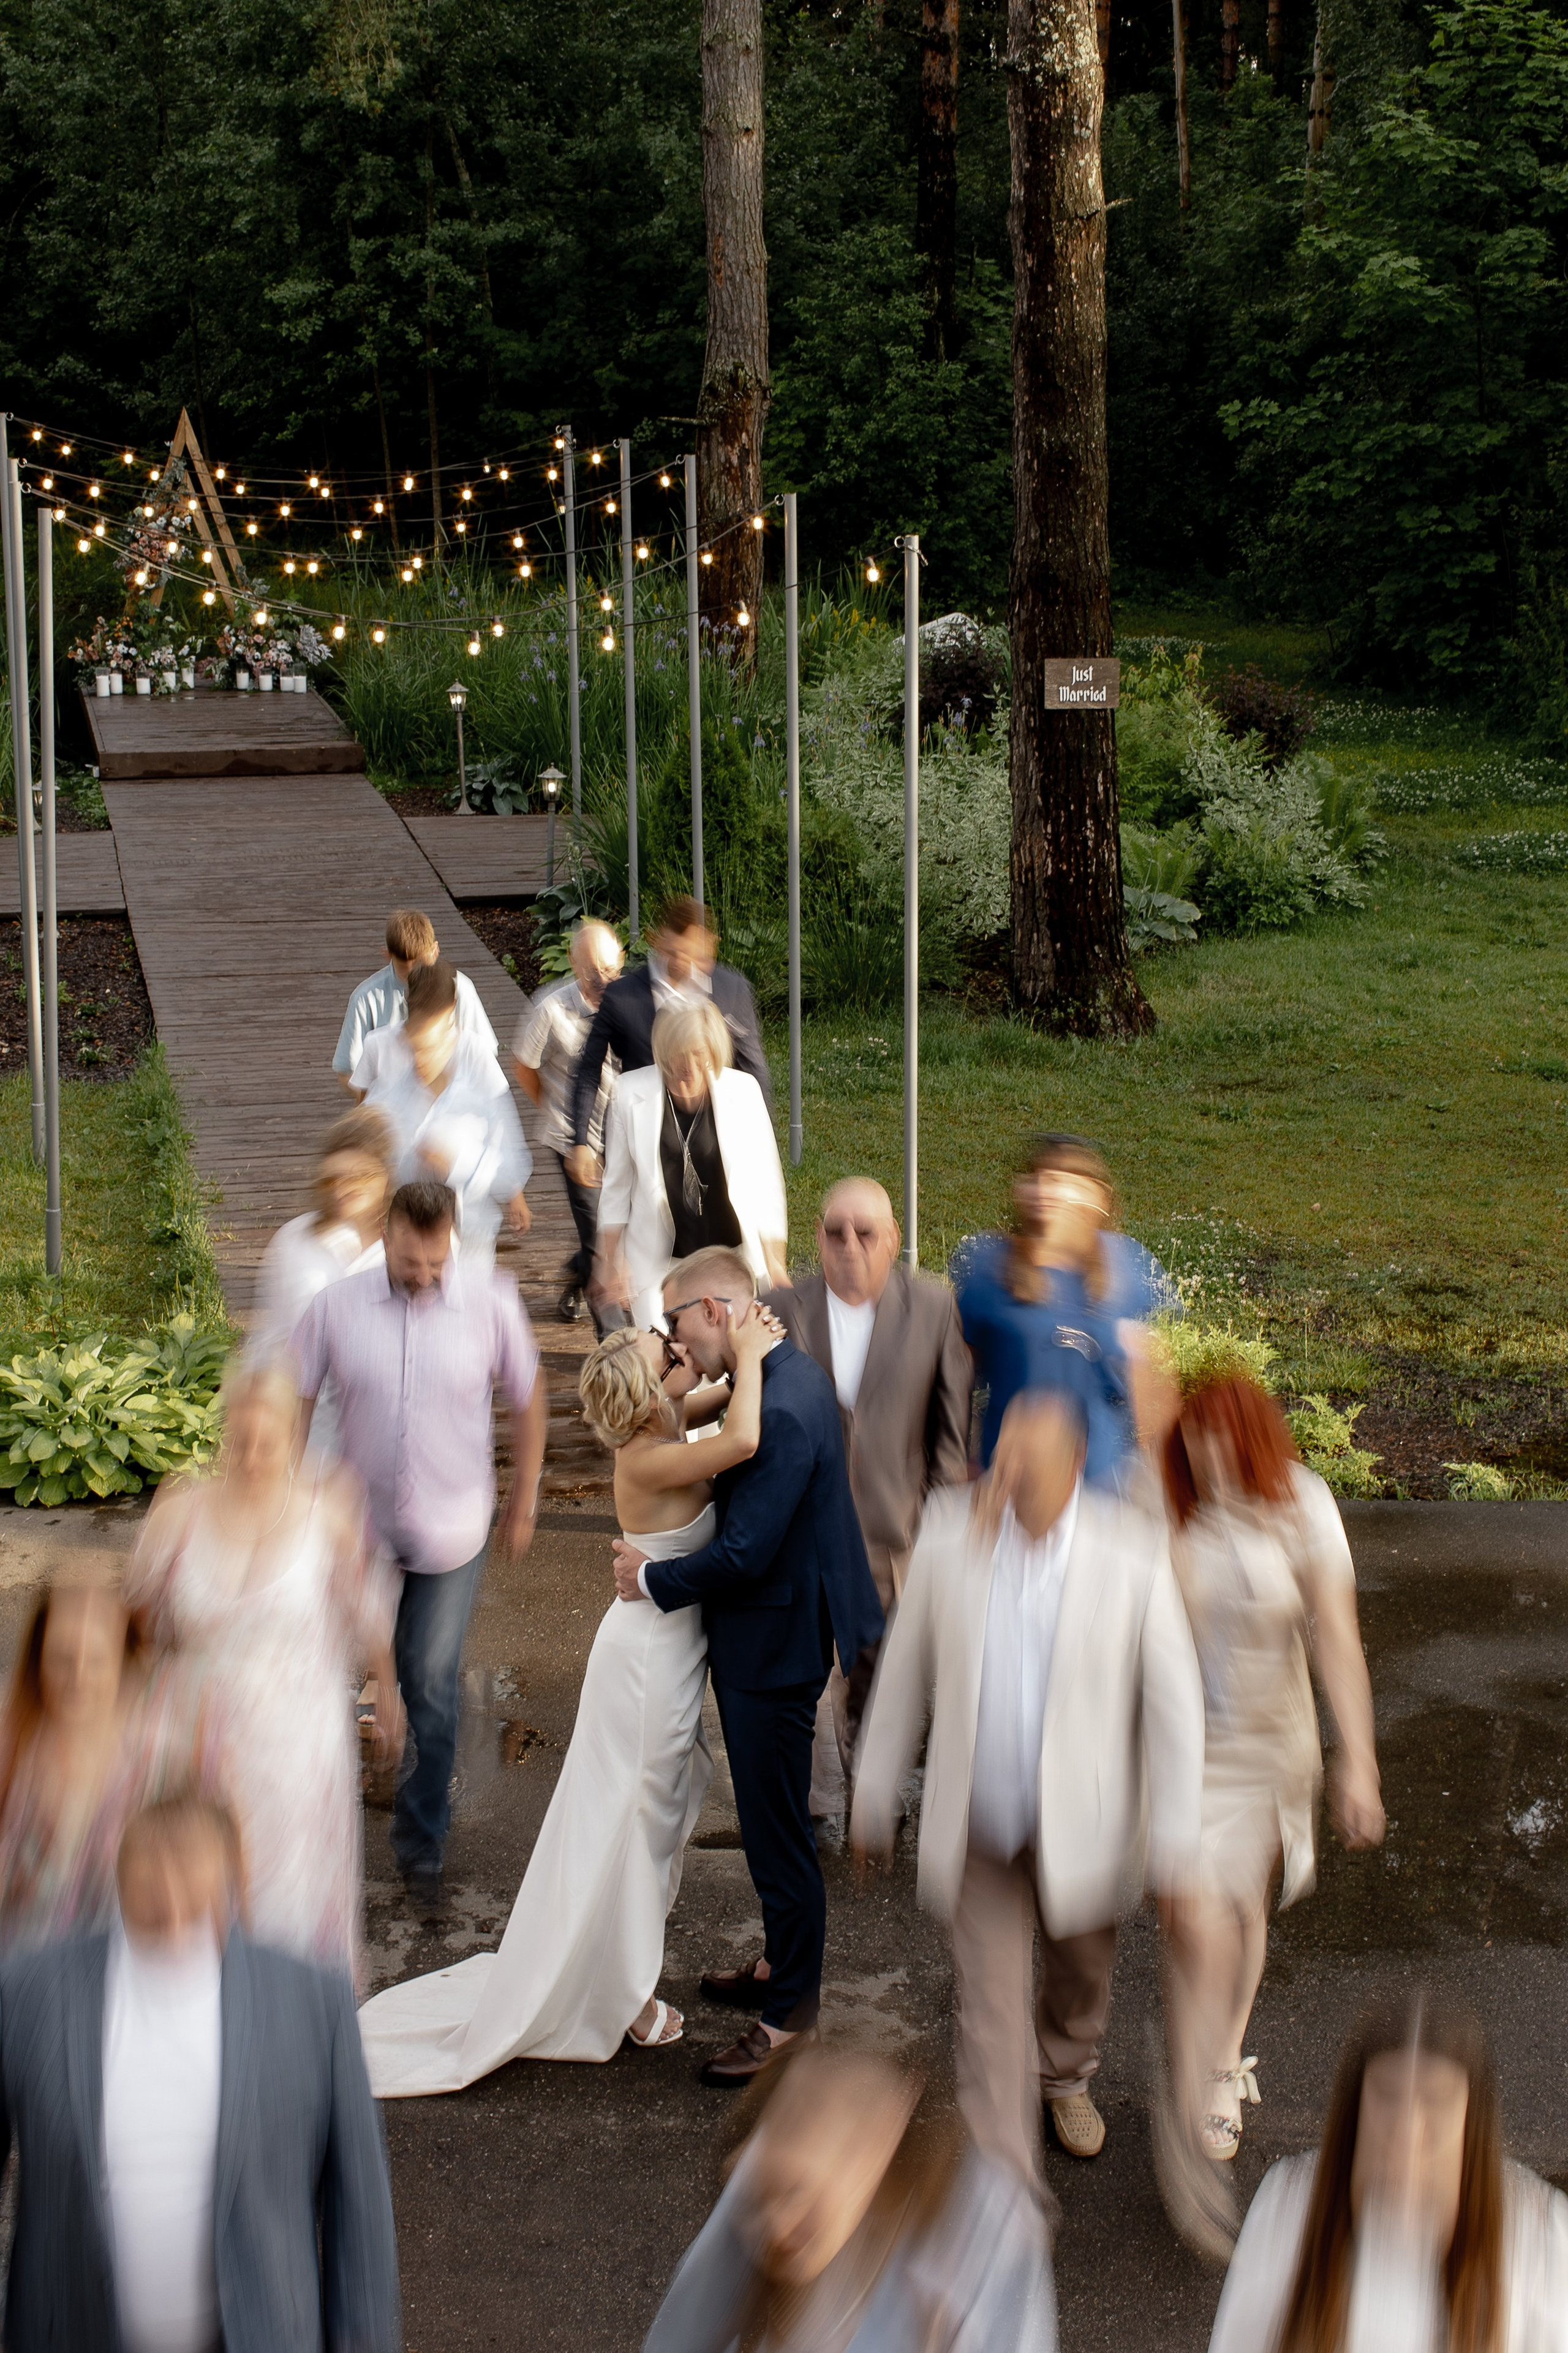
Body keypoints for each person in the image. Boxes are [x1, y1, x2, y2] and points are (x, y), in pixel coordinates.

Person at [356, 1301, 782, 2091]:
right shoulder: (647, 1457)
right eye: (667, 1354)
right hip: (646, 1668)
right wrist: (753, 1355)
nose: (677, 1350)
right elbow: (745, 1437)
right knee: (636, 1830)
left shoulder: (664, 1420)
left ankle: (621, 1975)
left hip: (662, 1655)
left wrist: (742, 1349)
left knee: (649, 1825)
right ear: (647, 1397)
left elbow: (727, 1400)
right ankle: (624, 1995)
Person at [852, 1391, 1204, 2183]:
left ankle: (1066, 2074)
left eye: (1029, 1466)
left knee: (1080, 1977)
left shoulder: (1131, 1552)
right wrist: (873, 1791)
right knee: (989, 2009)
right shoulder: (950, 1533)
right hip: (979, 1823)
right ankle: (1005, 2187)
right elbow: (903, 1669)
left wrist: (1176, 1848)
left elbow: (1175, 1709)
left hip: (1087, 1824)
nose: (1009, 1478)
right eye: (1003, 1459)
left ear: (1075, 1467)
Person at [613, 1246, 885, 2086]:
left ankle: (789, 2014)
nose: (673, 1339)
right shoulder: (779, 1377)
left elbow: (741, 1554)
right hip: (776, 1632)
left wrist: (649, 1579)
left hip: (772, 1648)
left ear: (713, 1310)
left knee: (777, 1835)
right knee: (774, 1824)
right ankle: (778, 1963)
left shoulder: (785, 1409)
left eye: (675, 1320)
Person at [0, 1792, 401, 2353]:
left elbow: (359, 2214)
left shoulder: (314, 2003)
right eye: (152, 1879)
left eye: (188, 1877)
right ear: (120, 1875)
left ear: (231, 1878)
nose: (170, 1900)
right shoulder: (28, 1993)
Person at [1159, 1374, 1384, 2204]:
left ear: (1253, 1442)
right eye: (1195, 1447)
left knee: (1240, 1906)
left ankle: (1222, 2059)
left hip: (1268, 1747)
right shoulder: (1173, 1506)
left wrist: (1358, 1759)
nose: (1209, 1463)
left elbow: (1337, 1638)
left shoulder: (1304, 1506)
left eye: (1222, 1447)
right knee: (1188, 1911)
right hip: (1186, 1744)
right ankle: (1192, 2045)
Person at [292, 1178, 546, 1902]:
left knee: (430, 1682)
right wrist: (286, 1489)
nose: (425, 1275)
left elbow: (528, 1397)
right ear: (386, 1236)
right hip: (358, 1531)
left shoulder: (492, 1301)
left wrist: (526, 1493)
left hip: (452, 1529)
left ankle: (421, 1843)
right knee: (330, 1675)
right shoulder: (335, 1307)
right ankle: (310, 1831)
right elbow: (294, 1393)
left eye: (438, 1262)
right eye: (411, 1262)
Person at [125, 1359, 404, 1983]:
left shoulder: (326, 1511)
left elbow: (368, 1611)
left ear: (292, 1440)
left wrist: (387, 1687)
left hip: (296, 1747)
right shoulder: (179, 1513)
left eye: (267, 1443)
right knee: (205, 1887)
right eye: (240, 1440)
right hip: (199, 1743)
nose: (251, 1457)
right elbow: (136, 1624)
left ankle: (293, 2010)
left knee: (289, 1900)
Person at [1208, 1992, 1568, 2353]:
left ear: (1472, 2119)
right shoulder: (1290, 2210)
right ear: (1356, 2106)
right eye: (1388, 2095)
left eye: (1436, 2100)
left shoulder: (1539, 2243)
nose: (1407, 2128)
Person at [767, 1176, 971, 1810]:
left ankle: (871, 1801)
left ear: (893, 1238)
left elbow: (950, 1435)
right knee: (797, 1678)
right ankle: (806, 1806)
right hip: (799, 1537)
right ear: (817, 1236)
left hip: (890, 1534)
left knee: (876, 1678)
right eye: (835, 1232)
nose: (849, 1245)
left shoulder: (933, 1308)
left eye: (865, 1233)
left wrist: (930, 1525)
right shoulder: (779, 1310)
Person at [643, 2044, 1058, 2353]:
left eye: (797, 2196)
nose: (776, 2225)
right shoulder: (766, 2168)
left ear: (875, 2146)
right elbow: (682, 2336)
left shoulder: (982, 2236)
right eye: (760, 2200)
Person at [954, 1135, 1170, 1487]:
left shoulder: (1128, 1268)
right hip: (1011, 1481)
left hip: (1101, 1483)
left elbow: (1155, 1379)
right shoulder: (990, 1266)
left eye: (1059, 1181)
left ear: (1096, 1196)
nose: (1045, 1191)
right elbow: (958, 1374)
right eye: (1037, 1178)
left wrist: (1161, 1471)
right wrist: (959, 1458)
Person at [595, 999, 788, 1330]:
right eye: (680, 1054)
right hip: (659, 1264)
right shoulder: (628, 1093)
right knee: (665, 1353)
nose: (689, 1065)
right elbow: (616, 1187)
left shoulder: (743, 1092)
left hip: (732, 1259)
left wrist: (776, 1264)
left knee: (730, 1349)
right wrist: (610, 1261)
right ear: (663, 1050)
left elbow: (766, 1184)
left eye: (699, 1053)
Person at [0, 1585, 170, 1953]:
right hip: (18, 1969)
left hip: (107, 1969)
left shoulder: (154, 1770)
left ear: (123, 1664)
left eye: (96, 1660)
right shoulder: (15, 1744)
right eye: (63, 1657)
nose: (78, 1676)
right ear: (40, 1657)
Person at [567, 893, 771, 1181]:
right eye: (675, 952)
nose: (683, 961)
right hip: (645, 1144)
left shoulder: (732, 990)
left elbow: (753, 1069)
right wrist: (580, 1141)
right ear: (659, 941)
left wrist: (762, 1139)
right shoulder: (622, 997)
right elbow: (589, 1069)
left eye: (692, 953)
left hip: (717, 1139)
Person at [359, 957, 532, 1269]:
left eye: (430, 1048)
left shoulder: (475, 1089)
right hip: (412, 1240)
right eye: (414, 1049)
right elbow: (366, 1152)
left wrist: (456, 1164)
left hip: (470, 1239)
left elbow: (507, 1150)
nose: (420, 1060)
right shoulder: (388, 1096)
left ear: (450, 1035)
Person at [251, 1105, 393, 1455]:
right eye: (332, 1179)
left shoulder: (417, 1243)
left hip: (389, 1429)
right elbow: (269, 1338)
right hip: (311, 1433)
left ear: (386, 1175)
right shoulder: (294, 1240)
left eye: (361, 1176)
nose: (344, 1188)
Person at [512, 918, 625, 1329]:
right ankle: (614, 1341)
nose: (602, 979)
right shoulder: (551, 1008)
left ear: (622, 961)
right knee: (598, 1237)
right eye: (592, 970)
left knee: (625, 1226)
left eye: (610, 969)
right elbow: (524, 1065)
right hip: (572, 1140)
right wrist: (554, 1111)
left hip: (623, 1135)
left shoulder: (631, 1000)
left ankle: (578, 1273)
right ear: (573, 964)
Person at [334, 904, 495, 1093]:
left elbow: (484, 1056)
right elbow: (347, 1072)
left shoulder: (461, 989)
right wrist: (378, 1101)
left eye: (420, 964)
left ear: (435, 950)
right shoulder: (365, 998)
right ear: (387, 954)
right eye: (404, 968)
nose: (413, 976)